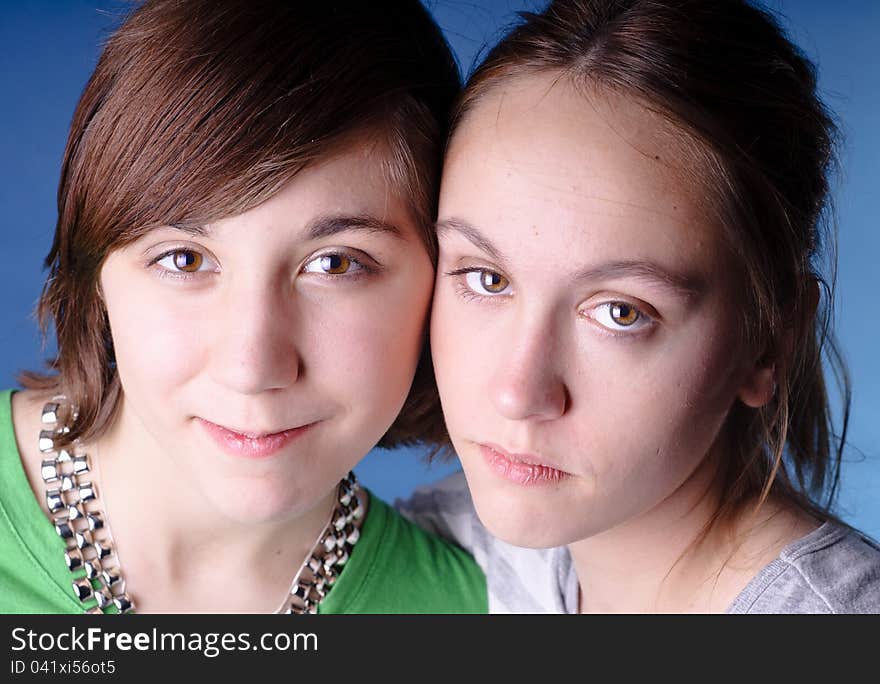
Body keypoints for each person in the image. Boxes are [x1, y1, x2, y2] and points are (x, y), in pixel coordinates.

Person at [0, 0, 487, 614]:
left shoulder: (474, 612)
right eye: (184, 260)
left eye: (335, 264)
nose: (252, 366)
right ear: (96, 275)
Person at [400, 0, 880, 613]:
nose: (518, 394)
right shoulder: (452, 554)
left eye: (620, 313)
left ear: (771, 339)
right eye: (487, 278)